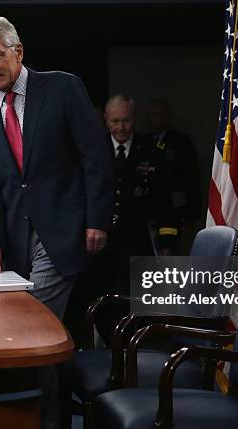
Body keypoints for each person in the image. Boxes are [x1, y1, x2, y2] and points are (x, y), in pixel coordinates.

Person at [0, 17, 113, 320]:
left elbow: (96, 156)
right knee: (36, 333)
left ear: (17, 51)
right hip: (15, 242)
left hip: (65, 230)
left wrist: (97, 220)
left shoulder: (63, 87)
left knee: (29, 321)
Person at [67, 94, 177, 345]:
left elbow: (163, 203)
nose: (121, 127)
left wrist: (167, 245)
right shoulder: (92, 150)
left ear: (134, 118)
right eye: (115, 121)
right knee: (101, 302)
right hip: (99, 246)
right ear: (105, 120)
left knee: (137, 306)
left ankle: (133, 359)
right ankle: (106, 356)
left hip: (136, 242)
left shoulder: (151, 151)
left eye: (126, 121)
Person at [145, 98, 202, 253]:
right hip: (151, 208)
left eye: (156, 115)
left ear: (166, 116)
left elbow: (191, 177)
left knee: (173, 253)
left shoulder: (181, 142)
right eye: (150, 115)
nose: (152, 119)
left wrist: (193, 213)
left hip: (176, 208)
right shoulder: (144, 142)